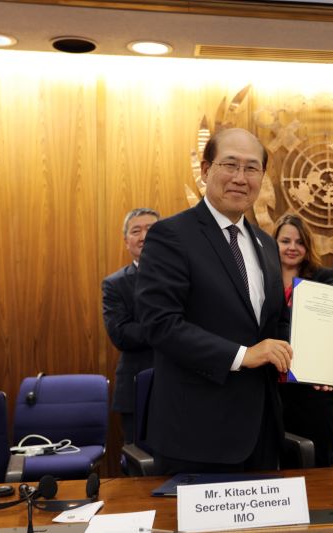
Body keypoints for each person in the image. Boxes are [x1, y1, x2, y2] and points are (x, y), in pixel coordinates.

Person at [135, 128, 292, 474]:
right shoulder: (171, 235)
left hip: (262, 431)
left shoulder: (266, 245)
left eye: (252, 168)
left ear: (262, 177)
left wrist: (321, 366)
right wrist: (244, 355)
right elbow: (160, 325)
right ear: (205, 170)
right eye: (230, 165)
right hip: (197, 432)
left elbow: (275, 323)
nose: (240, 178)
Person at [273, 214, 333, 466]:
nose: (292, 247)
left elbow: (325, 328)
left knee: (316, 461)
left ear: (307, 247)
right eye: (285, 241)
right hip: (271, 387)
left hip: (313, 389)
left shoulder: (325, 279)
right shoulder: (261, 280)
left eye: (299, 242)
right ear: (273, 243)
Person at [102, 207, 159, 444]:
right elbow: (121, 334)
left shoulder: (186, 278)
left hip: (182, 387)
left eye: (151, 229)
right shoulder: (114, 285)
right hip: (137, 390)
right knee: (141, 465)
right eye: (136, 231)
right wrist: (169, 328)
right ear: (127, 241)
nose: (144, 236)